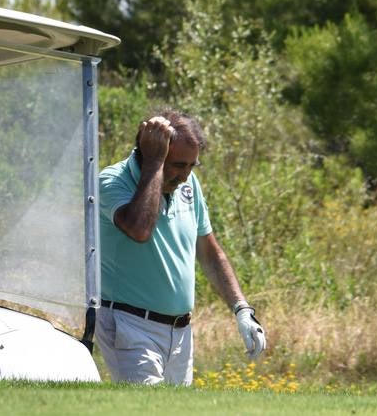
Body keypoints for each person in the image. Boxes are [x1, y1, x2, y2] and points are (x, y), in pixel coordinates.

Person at [96, 106, 268, 385]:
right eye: (177, 165)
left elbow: (210, 253)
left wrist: (241, 309)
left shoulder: (188, 185)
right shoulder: (111, 181)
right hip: (130, 326)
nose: (186, 176)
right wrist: (154, 164)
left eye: (192, 166)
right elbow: (140, 229)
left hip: (180, 333)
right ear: (152, 153)